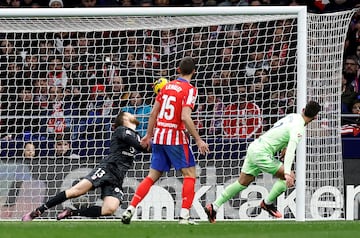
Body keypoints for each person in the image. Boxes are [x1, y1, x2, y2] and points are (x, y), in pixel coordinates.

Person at [121, 56, 209, 225]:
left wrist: (148, 135)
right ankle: (184, 217)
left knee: (152, 176)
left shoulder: (166, 86)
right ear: (194, 72)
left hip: (159, 136)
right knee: (190, 174)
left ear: (178, 70)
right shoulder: (190, 89)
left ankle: (130, 208)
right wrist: (198, 139)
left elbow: (153, 113)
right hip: (175, 137)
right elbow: (185, 116)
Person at [204, 100, 321, 223]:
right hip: (262, 153)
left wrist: (284, 146)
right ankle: (267, 203)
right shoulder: (299, 128)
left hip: (255, 146)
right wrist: (286, 173)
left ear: (303, 110)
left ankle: (214, 206)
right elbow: (291, 151)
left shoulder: (293, 116)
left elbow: (277, 129)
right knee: (290, 176)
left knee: (242, 182)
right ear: (315, 117)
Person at [21, 111, 147, 221]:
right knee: (76, 191)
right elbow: (140, 145)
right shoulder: (122, 130)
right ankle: (38, 211)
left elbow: (145, 148)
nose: (132, 114)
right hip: (107, 169)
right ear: (125, 119)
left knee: (109, 209)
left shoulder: (138, 136)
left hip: (118, 176)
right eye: (128, 114)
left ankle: (72, 213)